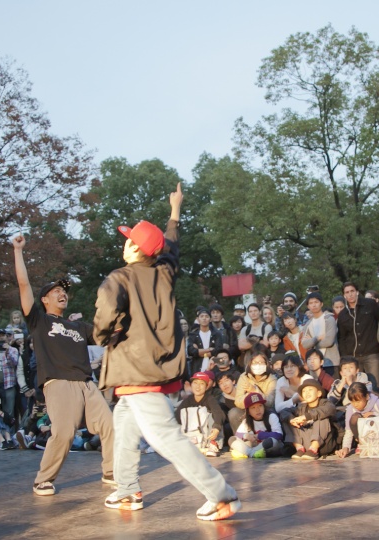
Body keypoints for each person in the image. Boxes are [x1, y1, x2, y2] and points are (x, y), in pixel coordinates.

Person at [94, 183, 240, 521]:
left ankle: (221, 495)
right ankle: (128, 489)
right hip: (154, 369)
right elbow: (171, 246)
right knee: (125, 425)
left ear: (135, 249)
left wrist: (105, 334)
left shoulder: (119, 278)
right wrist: (175, 209)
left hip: (136, 369)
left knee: (164, 437)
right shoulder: (165, 272)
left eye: (129, 238)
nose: (125, 241)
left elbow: (103, 317)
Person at [12, 235, 115, 497]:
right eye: (56, 291)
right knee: (64, 432)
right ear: (44, 299)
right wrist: (18, 251)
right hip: (58, 382)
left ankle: (111, 471)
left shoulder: (78, 326)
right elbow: (24, 285)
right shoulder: (39, 321)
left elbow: (107, 335)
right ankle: (43, 479)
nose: (62, 293)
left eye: (64, 291)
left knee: (110, 425)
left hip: (86, 382)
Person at [336, 282, 379, 391]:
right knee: (356, 387)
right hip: (353, 356)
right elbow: (342, 337)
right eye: (347, 292)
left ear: (357, 292)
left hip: (371, 351)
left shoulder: (370, 304)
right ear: (344, 295)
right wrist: (345, 357)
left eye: (352, 291)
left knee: (375, 385)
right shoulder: (343, 314)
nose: (350, 294)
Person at [335, 382, 379, 459]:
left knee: (371, 418)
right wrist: (345, 447)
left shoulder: (378, 403)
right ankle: (362, 444)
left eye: (358, 401)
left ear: (367, 396)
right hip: (364, 439)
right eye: (352, 401)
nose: (355, 405)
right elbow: (349, 431)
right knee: (355, 417)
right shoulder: (350, 408)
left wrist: (375, 415)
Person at [174, 372, 226, 457]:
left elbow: (219, 413)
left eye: (202, 384)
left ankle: (213, 444)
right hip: (194, 435)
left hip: (209, 433)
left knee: (212, 414)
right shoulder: (188, 400)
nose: (198, 387)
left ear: (206, 387)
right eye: (195, 383)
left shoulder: (209, 399)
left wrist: (217, 427)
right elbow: (177, 416)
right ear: (191, 385)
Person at [289, 379, 338, 459]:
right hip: (306, 441)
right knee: (288, 419)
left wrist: (306, 417)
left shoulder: (326, 403)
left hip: (322, 444)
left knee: (322, 416)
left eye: (310, 390)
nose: (307, 393)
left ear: (319, 393)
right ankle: (299, 448)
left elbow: (329, 409)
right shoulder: (301, 407)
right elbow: (285, 412)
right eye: (304, 391)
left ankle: (313, 449)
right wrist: (292, 420)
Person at [229, 393, 284, 459]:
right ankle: (253, 453)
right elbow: (237, 435)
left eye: (260, 406)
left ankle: (249, 453)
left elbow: (279, 435)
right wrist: (246, 436)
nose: (257, 410)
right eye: (253, 407)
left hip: (267, 448)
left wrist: (260, 435)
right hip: (254, 447)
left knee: (272, 441)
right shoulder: (247, 421)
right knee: (232, 439)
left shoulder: (271, 416)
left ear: (264, 406)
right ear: (248, 411)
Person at [300, 292, 339, 375]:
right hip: (315, 364)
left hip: (331, 362)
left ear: (321, 304)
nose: (314, 305)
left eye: (316, 302)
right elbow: (304, 344)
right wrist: (317, 338)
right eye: (311, 303)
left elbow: (329, 341)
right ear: (308, 306)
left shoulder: (329, 319)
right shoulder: (308, 324)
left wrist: (312, 344)